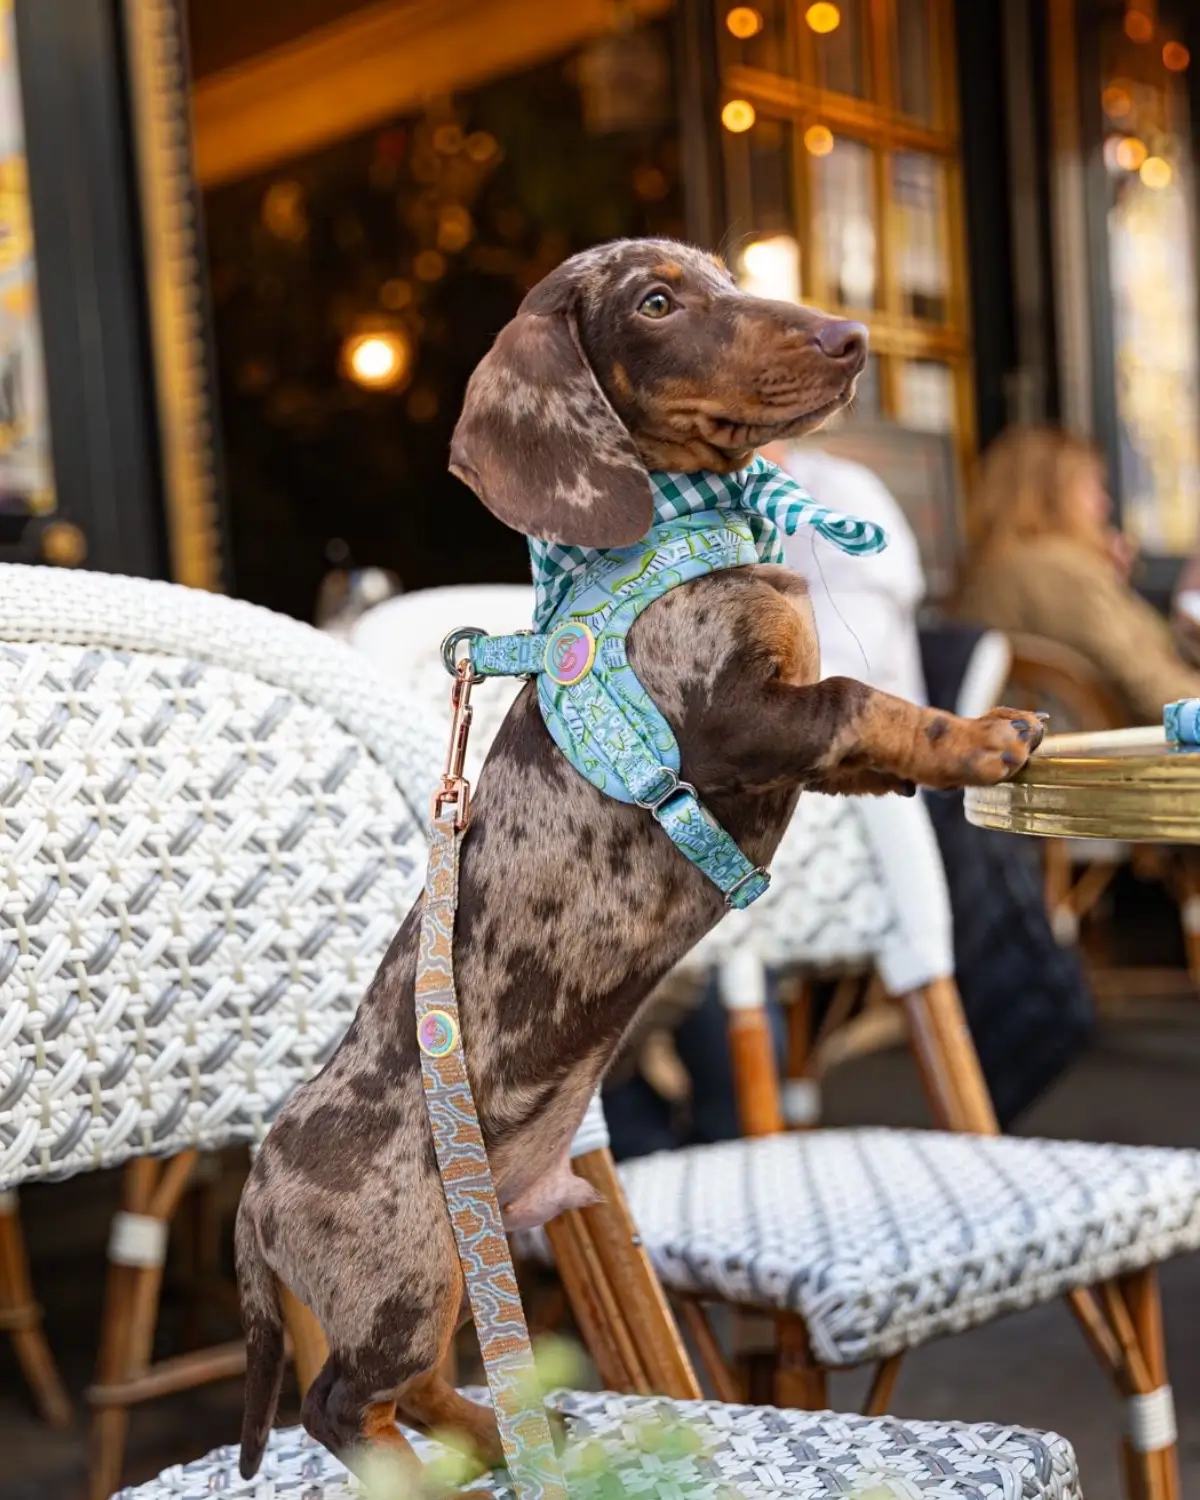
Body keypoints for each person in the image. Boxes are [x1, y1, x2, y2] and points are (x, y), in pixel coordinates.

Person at [956, 426, 1200, 723]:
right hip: (1106, 753)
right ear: (1049, 494)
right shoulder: (1058, 570)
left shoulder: (1000, 564)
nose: (1104, 504)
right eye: (1092, 489)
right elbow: (1148, 686)